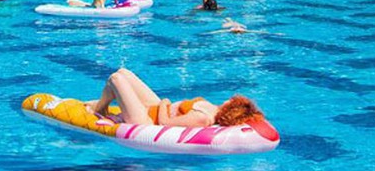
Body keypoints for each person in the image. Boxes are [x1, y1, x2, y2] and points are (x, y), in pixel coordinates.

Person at [84, 68, 264, 128]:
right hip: (153, 108)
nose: (231, 98)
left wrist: (164, 102)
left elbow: (164, 123)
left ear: (232, 107)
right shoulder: (211, 107)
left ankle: (99, 108)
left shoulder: (203, 118)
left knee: (116, 79)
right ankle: (102, 105)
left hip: (146, 120)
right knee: (123, 72)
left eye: (234, 100)